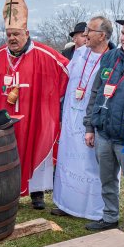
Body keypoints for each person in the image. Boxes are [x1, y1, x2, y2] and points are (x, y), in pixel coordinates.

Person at [0, 0, 69, 209]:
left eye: (16, 34)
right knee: (8, 154)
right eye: (9, 35)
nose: (12, 39)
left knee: (35, 147)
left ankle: (37, 194)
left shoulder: (45, 54)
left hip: (34, 116)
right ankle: (9, 192)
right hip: (5, 119)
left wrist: (49, 100)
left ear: (26, 33)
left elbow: (68, 74)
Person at [83, 11, 124, 235]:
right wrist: (90, 126)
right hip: (104, 133)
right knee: (107, 181)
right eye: (123, 32)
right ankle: (110, 217)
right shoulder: (110, 57)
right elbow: (96, 92)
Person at [52, 15, 112, 220]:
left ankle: (92, 210)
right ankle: (66, 203)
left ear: (102, 35)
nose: (85, 34)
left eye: (90, 31)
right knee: (67, 159)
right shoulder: (79, 52)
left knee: (89, 164)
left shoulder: (111, 59)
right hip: (70, 115)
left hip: (91, 120)